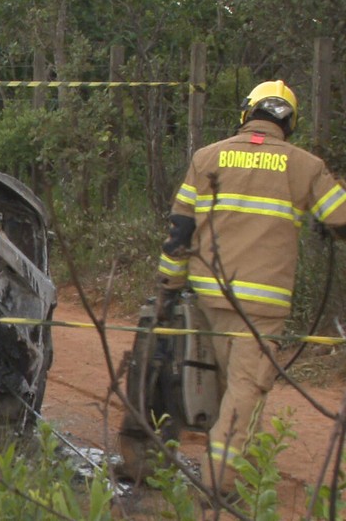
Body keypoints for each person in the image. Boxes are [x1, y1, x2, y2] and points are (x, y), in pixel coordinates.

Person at [117, 80, 346, 497]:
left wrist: (168, 287)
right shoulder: (305, 165)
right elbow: (340, 218)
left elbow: (179, 231)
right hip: (261, 309)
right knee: (243, 391)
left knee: (197, 380)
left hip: (205, 298)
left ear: (247, 113)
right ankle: (220, 484)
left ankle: (156, 462)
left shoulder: (207, 157)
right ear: (289, 121)